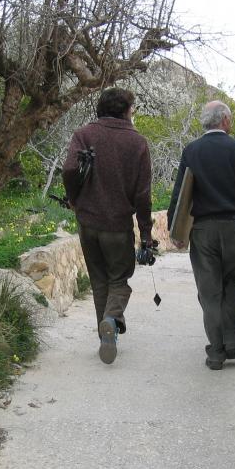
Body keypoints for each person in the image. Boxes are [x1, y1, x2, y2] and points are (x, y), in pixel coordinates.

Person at [167, 100, 235, 370]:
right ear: (224, 120)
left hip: (204, 231)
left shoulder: (192, 150)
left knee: (209, 292)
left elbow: (180, 193)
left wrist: (174, 230)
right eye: (230, 119)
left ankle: (216, 352)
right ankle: (231, 340)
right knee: (232, 285)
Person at [63, 87, 154, 365]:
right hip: (117, 225)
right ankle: (111, 320)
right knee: (119, 280)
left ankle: (106, 336)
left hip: (88, 222)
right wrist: (146, 234)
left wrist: (74, 199)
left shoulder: (84, 134)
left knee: (99, 280)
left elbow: (69, 169)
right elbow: (142, 195)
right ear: (126, 110)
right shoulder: (137, 142)